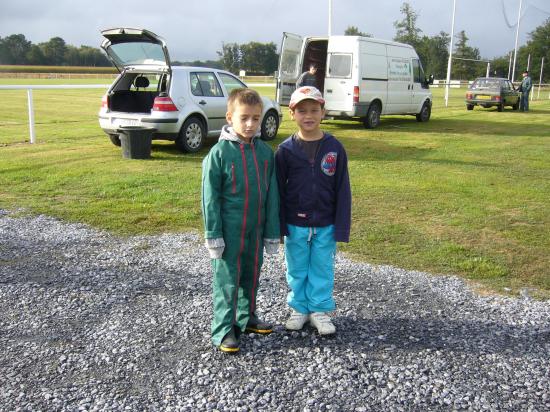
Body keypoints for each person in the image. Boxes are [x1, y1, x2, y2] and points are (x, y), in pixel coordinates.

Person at [201, 88, 280, 353]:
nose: (250, 124)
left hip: (255, 231)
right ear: (229, 117)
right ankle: (223, 330)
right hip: (230, 231)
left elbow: (272, 196)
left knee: (251, 275)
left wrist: (271, 232)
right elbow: (210, 198)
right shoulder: (219, 154)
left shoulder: (265, 153)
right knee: (227, 280)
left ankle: (246, 319)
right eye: (244, 117)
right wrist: (213, 234)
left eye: (256, 118)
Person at [275, 86, 351, 336]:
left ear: (323, 112)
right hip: (295, 224)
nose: (308, 116)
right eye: (302, 111)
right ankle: (299, 308)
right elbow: (277, 191)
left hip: (325, 223)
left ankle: (318, 310)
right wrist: (280, 226)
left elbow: (342, 189)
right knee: (296, 268)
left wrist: (341, 225)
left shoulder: (335, 147)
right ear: (292, 114)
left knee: (321, 268)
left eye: (314, 110)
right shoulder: (285, 151)